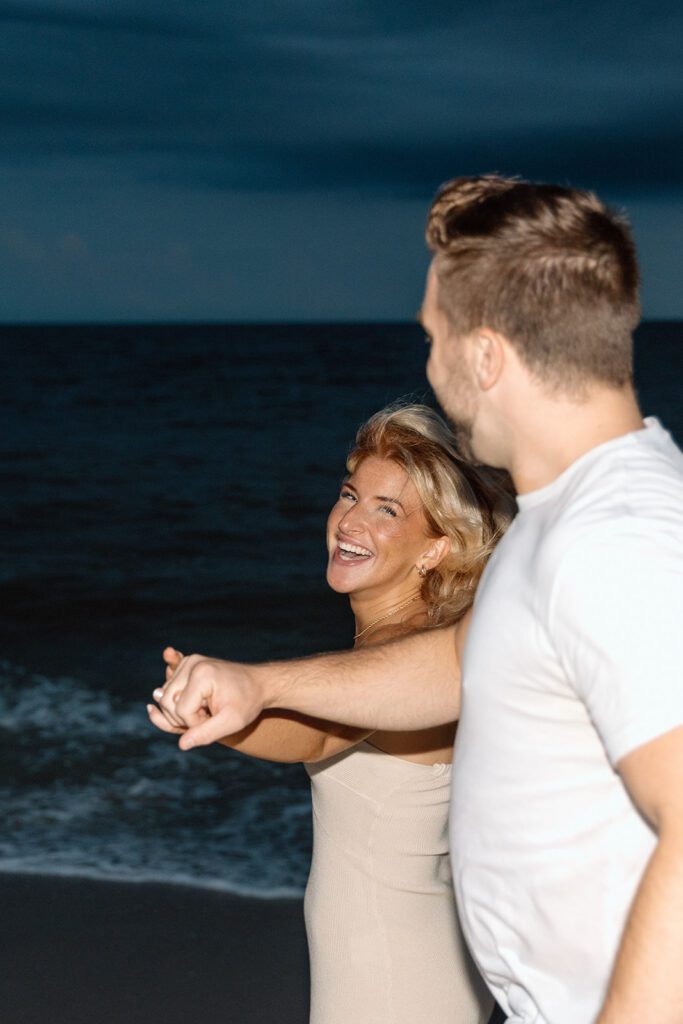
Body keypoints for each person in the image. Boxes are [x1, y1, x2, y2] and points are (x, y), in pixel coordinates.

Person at [151, 177, 683, 1024]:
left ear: (483, 356)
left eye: (433, 335)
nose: (429, 365)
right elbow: (447, 666)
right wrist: (261, 685)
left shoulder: (617, 537)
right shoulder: (554, 528)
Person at [151, 403, 516, 1024]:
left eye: (387, 510)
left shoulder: (401, 658)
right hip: (421, 964)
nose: (350, 520)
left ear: (436, 549)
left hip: (392, 988)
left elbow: (318, 737)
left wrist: (233, 701)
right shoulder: (436, 644)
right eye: (350, 494)